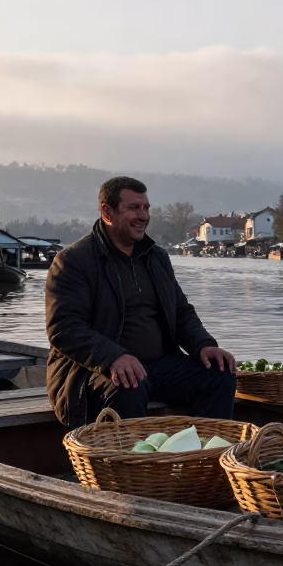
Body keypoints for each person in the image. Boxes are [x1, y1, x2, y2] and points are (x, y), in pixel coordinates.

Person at [45, 176, 237, 427]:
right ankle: (128, 464)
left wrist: (204, 345)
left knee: (219, 374)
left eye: (146, 208)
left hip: (156, 367)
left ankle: (205, 457)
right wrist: (114, 357)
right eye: (133, 208)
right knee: (128, 385)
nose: (143, 216)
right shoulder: (73, 261)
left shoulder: (156, 258)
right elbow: (64, 328)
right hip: (89, 373)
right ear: (107, 211)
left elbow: (181, 313)